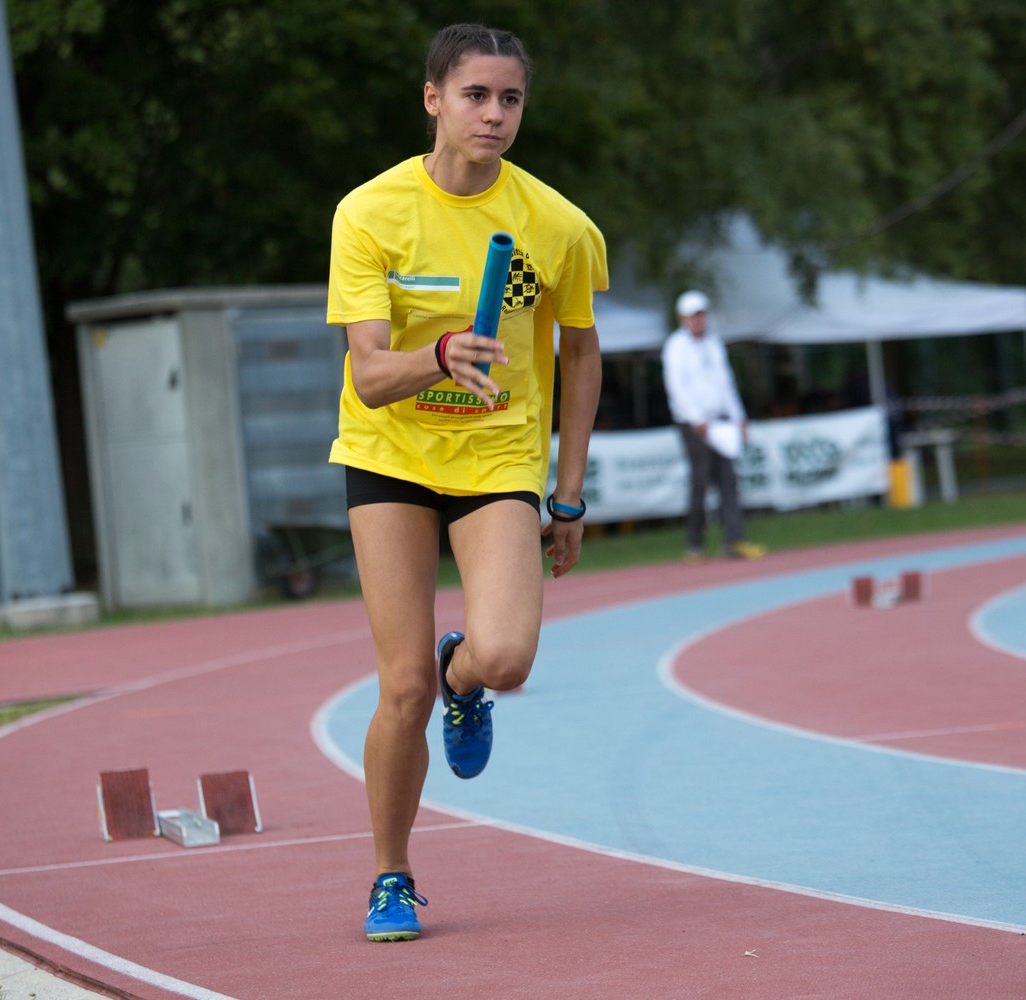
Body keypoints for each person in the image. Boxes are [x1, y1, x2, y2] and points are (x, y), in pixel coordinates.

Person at [326, 23, 606, 942]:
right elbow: (371, 375)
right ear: (433, 99)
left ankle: (466, 674)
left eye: (510, 98)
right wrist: (443, 353)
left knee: (508, 659)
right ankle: (391, 876)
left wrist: (568, 496)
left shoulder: (557, 226)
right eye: (476, 95)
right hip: (391, 456)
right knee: (401, 688)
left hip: (496, 459)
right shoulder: (369, 213)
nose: (494, 114)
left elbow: (580, 352)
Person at [661, 290, 766, 563]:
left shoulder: (714, 343)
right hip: (692, 424)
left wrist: (739, 417)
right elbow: (677, 388)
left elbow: (726, 383)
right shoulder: (676, 346)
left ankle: (735, 540)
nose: (698, 320)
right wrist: (697, 419)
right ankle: (694, 544)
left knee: (729, 479)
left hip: (719, 423)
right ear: (682, 318)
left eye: (701, 314)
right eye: (693, 316)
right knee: (701, 480)